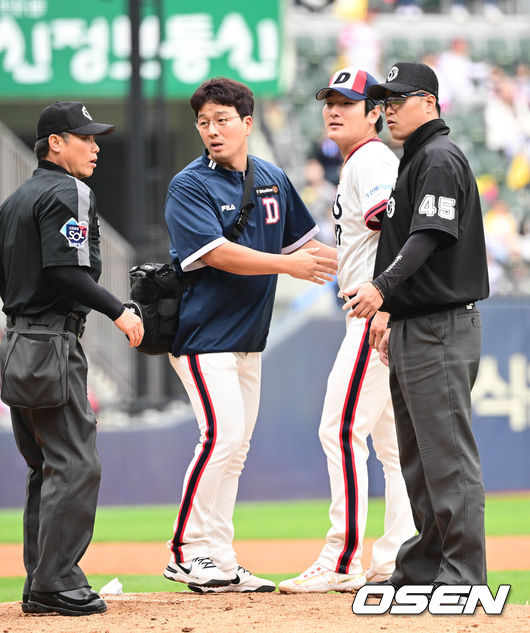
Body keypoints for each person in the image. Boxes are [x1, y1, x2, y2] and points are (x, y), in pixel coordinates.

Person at [163, 77, 337, 593]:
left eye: (221, 120)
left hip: (248, 338)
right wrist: (286, 265)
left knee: (235, 449)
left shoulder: (271, 178)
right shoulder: (189, 184)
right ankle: (185, 551)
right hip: (201, 335)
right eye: (203, 122)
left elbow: (312, 248)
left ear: (247, 123)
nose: (212, 131)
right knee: (221, 438)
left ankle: (219, 557)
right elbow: (215, 253)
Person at [345, 62, 489, 588]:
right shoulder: (415, 161)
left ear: (428, 102)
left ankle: (463, 574)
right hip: (415, 324)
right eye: (382, 101)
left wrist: (382, 289)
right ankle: (424, 566)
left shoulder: (439, 157)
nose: (386, 110)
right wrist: (390, 312)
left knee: (446, 457)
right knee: (419, 460)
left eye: (397, 100)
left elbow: (428, 236)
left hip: (442, 327)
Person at [0, 101, 144, 616]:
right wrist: (118, 311)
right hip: (50, 343)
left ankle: (41, 581)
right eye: (85, 137)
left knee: (47, 465)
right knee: (76, 462)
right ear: (55, 143)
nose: (96, 145)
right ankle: (56, 581)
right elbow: (67, 272)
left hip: (17, 341)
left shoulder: (17, 198)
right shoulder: (68, 190)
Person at [278, 68, 415, 594]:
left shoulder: (372, 159)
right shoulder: (363, 161)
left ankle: (342, 559)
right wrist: (339, 258)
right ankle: (395, 556)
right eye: (329, 101)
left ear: (375, 111)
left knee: (338, 430)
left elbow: (397, 232)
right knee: (390, 447)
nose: (334, 109)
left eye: (349, 102)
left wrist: (386, 300)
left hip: (372, 316)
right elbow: (378, 239)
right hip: (379, 308)